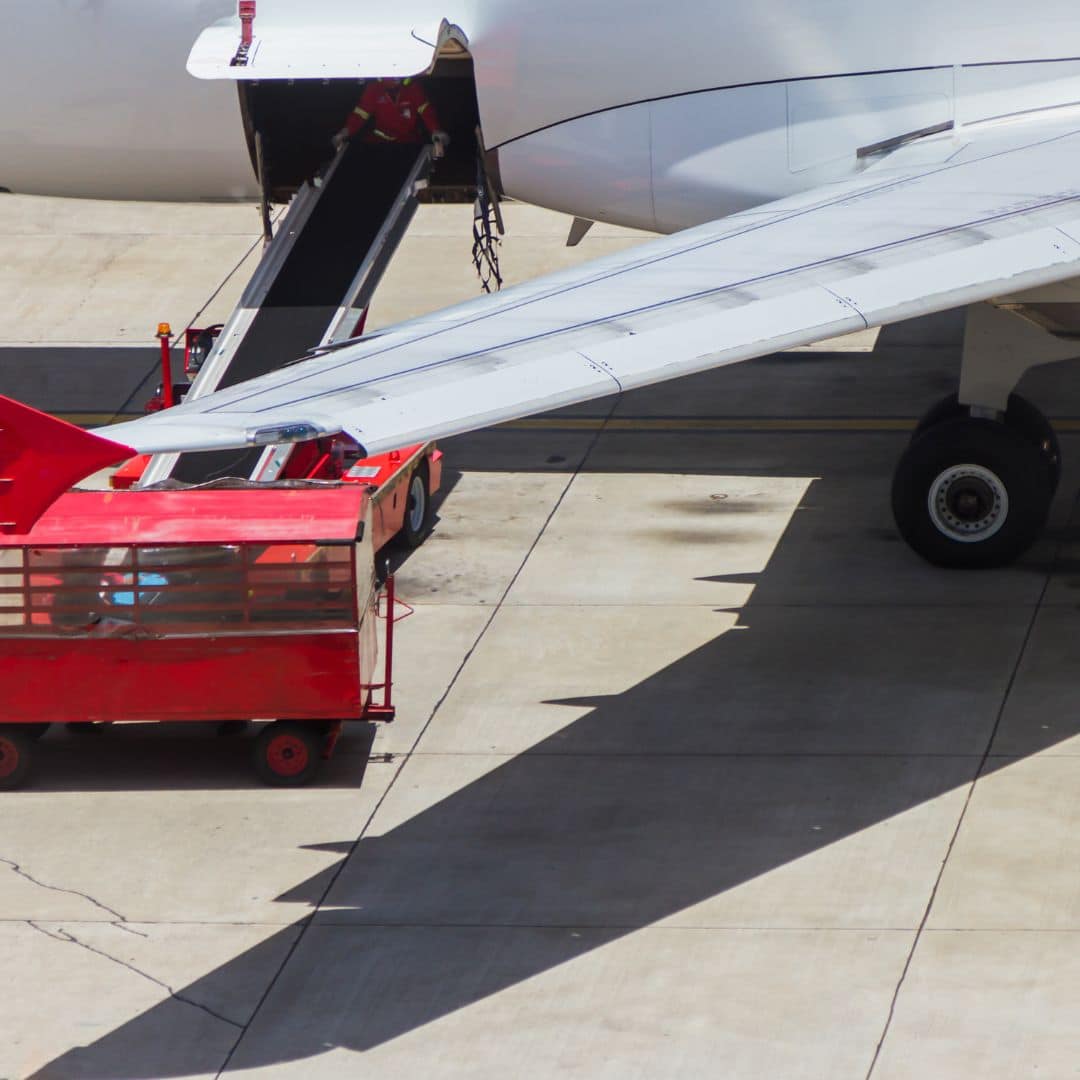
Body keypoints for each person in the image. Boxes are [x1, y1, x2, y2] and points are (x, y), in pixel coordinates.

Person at [332, 77, 450, 153]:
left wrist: (435, 130)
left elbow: (425, 109)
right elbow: (360, 113)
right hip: (379, 143)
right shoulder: (374, 89)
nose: (397, 77)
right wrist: (345, 132)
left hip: (408, 142)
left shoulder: (412, 88)